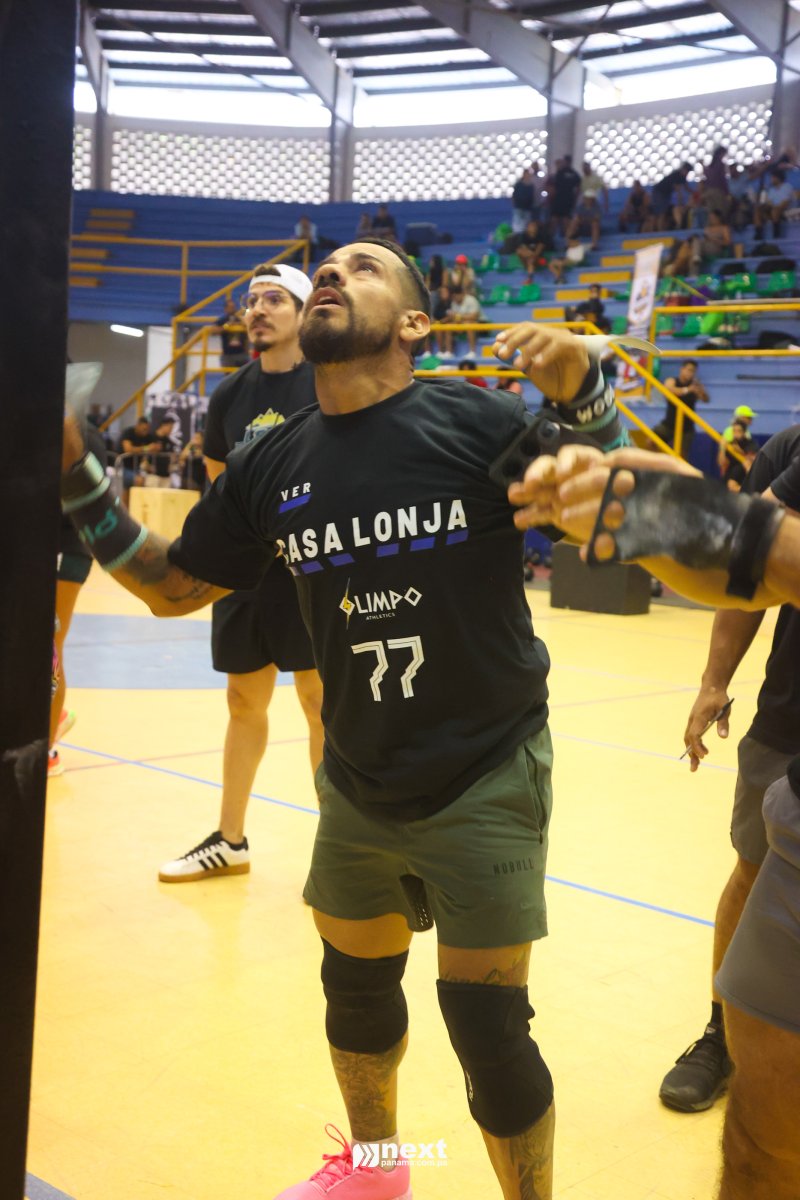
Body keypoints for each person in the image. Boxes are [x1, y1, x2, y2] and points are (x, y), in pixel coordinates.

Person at [61, 236, 632, 1200]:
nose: (331, 273)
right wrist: (74, 470)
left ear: (415, 322)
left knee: (490, 1035)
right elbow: (173, 586)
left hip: (484, 766)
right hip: (359, 779)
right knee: (356, 1000)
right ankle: (377, 1174)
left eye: (364, 268)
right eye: (326, 267)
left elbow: (614, 516)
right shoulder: (270, 461)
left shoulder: (473, 419)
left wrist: (586, 396)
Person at [511, 442, 800, 1200]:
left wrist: (719, 521)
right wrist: (664, 525)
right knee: (760, 1143)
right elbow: (747, 574)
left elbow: (759, 544)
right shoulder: (794, 451)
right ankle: (721, 1037)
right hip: (794, 744)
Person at [158, 262, 324, 883]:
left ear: (304, 312)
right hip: (246, 571)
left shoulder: (326, 383)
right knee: (242, 699)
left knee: (319, 702)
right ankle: (230, 840)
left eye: (274, 299)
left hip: (309, 569)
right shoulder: (229, 393)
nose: (257, 309)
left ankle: (339, 848)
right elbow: (219, 478)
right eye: (252, 300)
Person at [651, 359, 709, 457]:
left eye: (693, 371)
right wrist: (687, 390)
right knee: (651, 442)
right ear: (682, 369)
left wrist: (701, 391)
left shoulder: (694, 386)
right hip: (669, 424)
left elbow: (705, 399)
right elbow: (669, 389)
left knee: (682, 455)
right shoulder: (672, 380)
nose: (690, 373)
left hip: (686, 427)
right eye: (689, 370)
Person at [118, 414, 156, 496]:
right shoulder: (128, 433)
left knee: (148, 481)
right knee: (138, 481)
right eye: (144, 429)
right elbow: (128, 449)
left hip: (136, 469)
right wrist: (146, 448)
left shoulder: (147, 436)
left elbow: (155, 447)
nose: (145, 432)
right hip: (122, 467)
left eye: (147, 429)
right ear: (137, 426)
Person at [651, 162, 693, 230]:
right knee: (661, 212)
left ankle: (660, 229)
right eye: (687, 171)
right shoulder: (677, 175)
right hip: (660, 192)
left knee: (663, 212)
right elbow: (678, 191)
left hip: (666, 194)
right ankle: (659, 231)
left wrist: (694, 193)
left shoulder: (682, 177)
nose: (687, 173)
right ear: (683, 169)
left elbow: (686, 188)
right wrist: (680, 204)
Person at [717, 418, 757, 490]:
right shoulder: (730, 445)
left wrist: (740, 451)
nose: (736, 434)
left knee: (747, 464)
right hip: (732, 474)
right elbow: (722, 463)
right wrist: (722, 449)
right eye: (734, 431)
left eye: (739, 431)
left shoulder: (750, 443)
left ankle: (749, 491)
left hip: (743, 475)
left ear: (744, 432)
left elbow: (753, 459)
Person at [756, 170, 796, 240]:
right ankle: (758, 233)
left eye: (773, 177)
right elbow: (769, 202)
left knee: (775, 209)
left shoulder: (787, 187)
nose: (771, 179)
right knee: (758, 209)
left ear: (778, 178)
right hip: (773, 211)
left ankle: (776, 233)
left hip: (787, 210)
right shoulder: (771, 190)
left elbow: (785, 203)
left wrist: (775, 208)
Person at [214, 295, 250, 371]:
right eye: (230, 307)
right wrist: (227, 326)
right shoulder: (222, 320)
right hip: (228, 355)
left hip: (241, 354)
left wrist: (241, 323)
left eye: (233, 307)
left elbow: (248, 330)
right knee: (229, 375)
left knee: (244, 375)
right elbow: (214, 331)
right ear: (225, 309)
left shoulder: (240, 319)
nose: (232, 309)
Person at [548, 155, 581, 236]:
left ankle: (563, 239)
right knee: (558, 220)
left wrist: (575, 199)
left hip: (562, 200)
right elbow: (578, 188)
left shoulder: (563, 172)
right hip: (563, 200)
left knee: (562, 220)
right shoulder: (572, 173)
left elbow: (578, 188)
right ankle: (557, 238)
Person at [145, 415, 177, 488]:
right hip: (153, 475)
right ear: (163, 425)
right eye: (170, 427)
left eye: (172, 428)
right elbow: (143, 452)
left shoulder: (169, 442)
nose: (171, 430)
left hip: (165, 475)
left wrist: (173, 459)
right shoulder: (150, 437)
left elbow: (172, 456)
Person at [511, 167, 536, 233]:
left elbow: (532, 196)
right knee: (517, 225)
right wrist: (514, 204)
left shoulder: (531, 185)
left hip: (527, 208)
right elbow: (514, 195)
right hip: (519, 208)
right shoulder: (518, 184)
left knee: (526, 225)